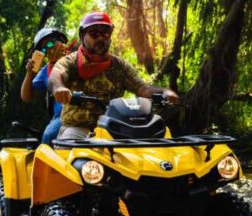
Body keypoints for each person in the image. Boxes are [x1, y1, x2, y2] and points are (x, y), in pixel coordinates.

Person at [48, 11, 179, 140]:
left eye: (105, 33)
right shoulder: (70, 61)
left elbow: (142, 88)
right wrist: (59, 88)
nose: (100, 38)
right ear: (82, 36)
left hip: (115, 129)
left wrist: (165, 92)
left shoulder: (120, 65)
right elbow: (56, 74)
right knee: (71, 155)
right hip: (78, 129)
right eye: (94, 33)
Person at [20, 28, 69, 145]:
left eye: (50, 43)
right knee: (49, 134)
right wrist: (30, 73)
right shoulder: (46, 70)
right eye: (43, 49)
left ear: (61, 41)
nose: (48, 49)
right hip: (62, 117)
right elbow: (26, 97)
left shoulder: (77, 58)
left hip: (84, 112)